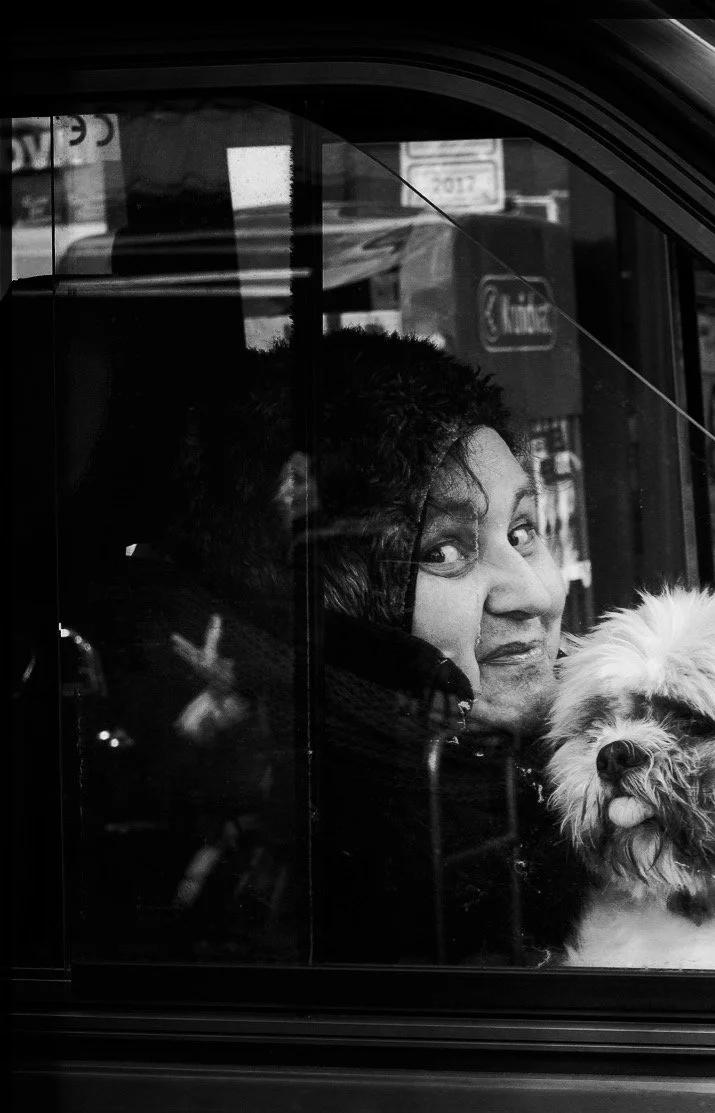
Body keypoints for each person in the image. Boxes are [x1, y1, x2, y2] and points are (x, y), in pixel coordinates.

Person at [152, 327, 584, 965]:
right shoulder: (347, 862)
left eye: (522, 532)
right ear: (341, 605)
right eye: (442, 552)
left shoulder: (598, 742)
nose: (534, 595)